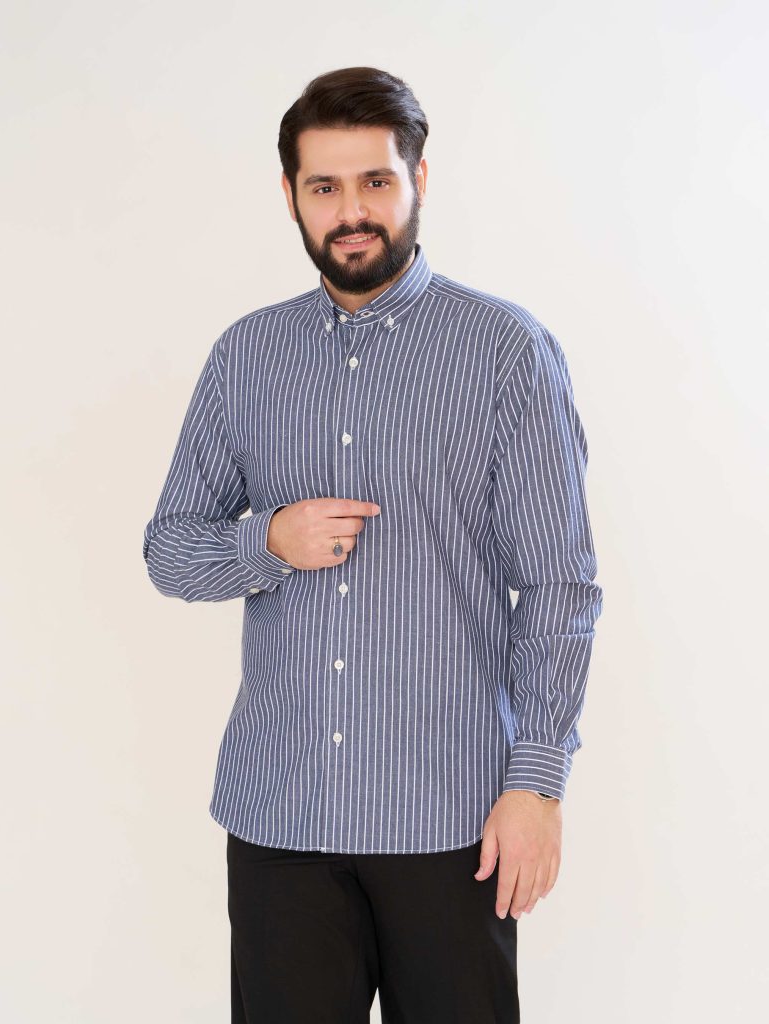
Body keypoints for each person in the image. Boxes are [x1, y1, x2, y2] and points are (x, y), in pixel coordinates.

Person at [142, 65, 603, 1024]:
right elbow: (170, 550)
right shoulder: (246, 356)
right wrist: (268, 540)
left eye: (375, 181)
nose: (351, 211)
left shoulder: (504, 352)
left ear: (418, 180)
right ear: (291, 195)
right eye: (325, 186)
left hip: (452, 820)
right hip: (282, 817)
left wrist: (536, 787)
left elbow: (558, 587)